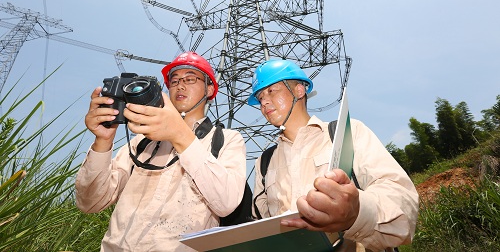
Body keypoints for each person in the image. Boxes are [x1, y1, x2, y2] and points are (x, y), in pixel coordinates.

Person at [76, 51, 247, 252]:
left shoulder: (226, 140)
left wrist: (181, 136)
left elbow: (226, 203)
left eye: (190, 79)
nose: (180, 85)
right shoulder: (140, 144)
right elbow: (89, 203)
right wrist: (103, 141)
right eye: (174, 81)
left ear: (210, 89)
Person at [249, 59, 419, 252]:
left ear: (299, 91)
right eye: (260, 97)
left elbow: (403, 205)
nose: (264, 102)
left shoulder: (349, 132)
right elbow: (261, 229)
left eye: (272, 91)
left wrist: (356, 214)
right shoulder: (264, 163)